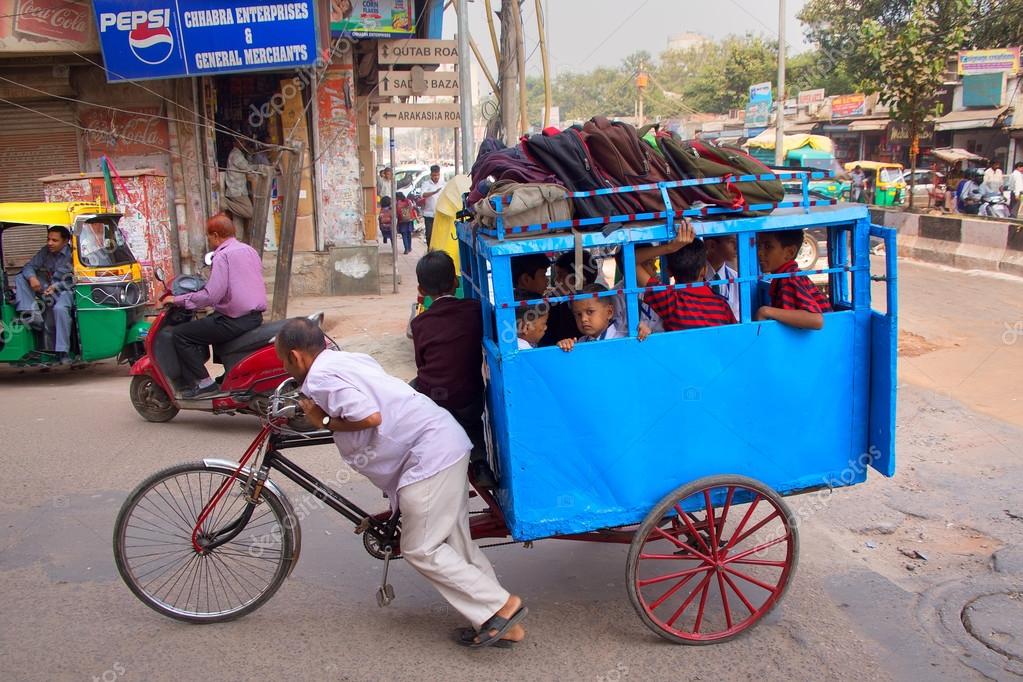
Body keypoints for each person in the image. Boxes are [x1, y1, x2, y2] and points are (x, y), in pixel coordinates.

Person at [276, 317, 528, 649]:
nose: (285, 367)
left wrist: (322, 419)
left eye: (283, 361)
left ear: (295, 356)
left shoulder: (319, 378)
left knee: (420, 547)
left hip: (429, 456)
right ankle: (499, 622)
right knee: (455, 543)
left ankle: (501, 605)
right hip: (442, 441)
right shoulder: (345, 359)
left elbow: (370, 416)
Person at [409, 251, 494, 487]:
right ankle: (480, 463)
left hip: (435, 398)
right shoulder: (474, 310)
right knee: (473, 421)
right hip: (468, 396)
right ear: (456, 282)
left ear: (421, 290)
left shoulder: (419, 323)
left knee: (406, 396)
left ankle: (412, 464)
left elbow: (421, 364)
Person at [170, 214, 267, 398]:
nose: (210, 240)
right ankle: (228, 375)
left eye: (209, 236)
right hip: (254, 317)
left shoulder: (222, 256)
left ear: (215, 236)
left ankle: (205, 384)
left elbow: (211, 295)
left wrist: (178, 300)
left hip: (235, 319)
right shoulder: (249, 250)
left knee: (181, 334)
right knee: (210, 323)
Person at [634, 223, 736, 332]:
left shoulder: (669, 300)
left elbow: (629, 260)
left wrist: (669, 248)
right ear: (704, 270)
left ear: (668, 272)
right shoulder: (722, 305)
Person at [14, 226, 74, 361]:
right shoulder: (45, 251)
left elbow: (75, 279)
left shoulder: (73, 255)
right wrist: (32, 278)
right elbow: (29, 266)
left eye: (54, 240)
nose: (50, 243)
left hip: (64, 290)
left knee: (59, 309)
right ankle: (31, 313)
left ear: (65, 241)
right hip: (46, 288)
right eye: (48, 239)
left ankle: (62, 352)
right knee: (20, 277)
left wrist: (56, 287)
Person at [755, 229, 832, 330]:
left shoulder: (789, 279)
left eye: (768, 247)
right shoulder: (785, 276)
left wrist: (765, 311)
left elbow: (816, 320)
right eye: (759, 246)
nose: (760, 253)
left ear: (789, 252)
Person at [540, 250, 600, 346]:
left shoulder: (601, 305)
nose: (555, 281)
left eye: (560, 275)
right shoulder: (553, 305)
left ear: (579, 279)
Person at [222, 138, 257, 241]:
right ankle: (225, 203)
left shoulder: (238, 154)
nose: (243, 144)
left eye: (244, 142)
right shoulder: (236, 154)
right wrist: (260, 167)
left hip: (236, 190)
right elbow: (246, 167)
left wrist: (249, 155)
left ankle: (238, 240)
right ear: (235, 143)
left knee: (238, 219)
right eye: (241, 142)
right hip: (237, 190)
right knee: (250, 212)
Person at [704, 234, 740, 321]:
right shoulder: (693, 279)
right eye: (732, 242)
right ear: (711, 245)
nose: (737, 247)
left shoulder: (736, 279)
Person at [419, 165, 445, 248]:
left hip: (440, 214)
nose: (436, 177)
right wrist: (434, 192)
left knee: (440, 235)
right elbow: (422, 195)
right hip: (429, 214)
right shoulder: (426, 184)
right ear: (431, 175)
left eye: (437, 175)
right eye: (434, 175)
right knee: (429, 235)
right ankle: (430, 251)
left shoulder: (443, 184)